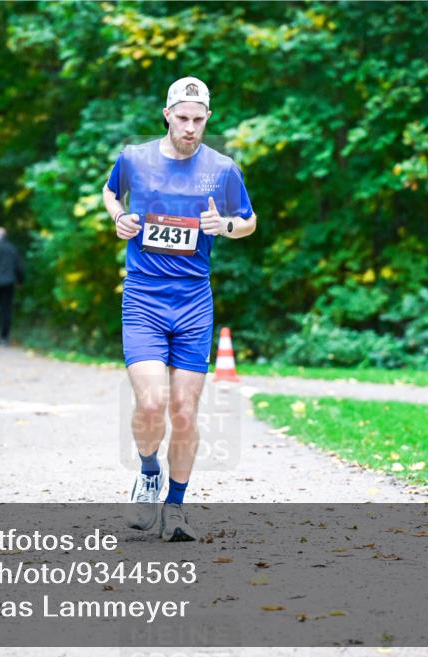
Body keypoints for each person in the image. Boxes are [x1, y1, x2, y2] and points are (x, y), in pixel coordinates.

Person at [101, 77, 257, 541]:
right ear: (167, 114)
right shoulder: (134, 159)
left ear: (208, 118)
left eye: (199, 119)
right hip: (145, 298)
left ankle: (175, 507)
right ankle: (149, 471)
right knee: (150, 403)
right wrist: (118, 218)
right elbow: (112, 194)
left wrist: (225, 225)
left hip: (193, 302)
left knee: (185, 412)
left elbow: (248, 221)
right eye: (183, 118)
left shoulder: (222, 169)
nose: (190, 128)